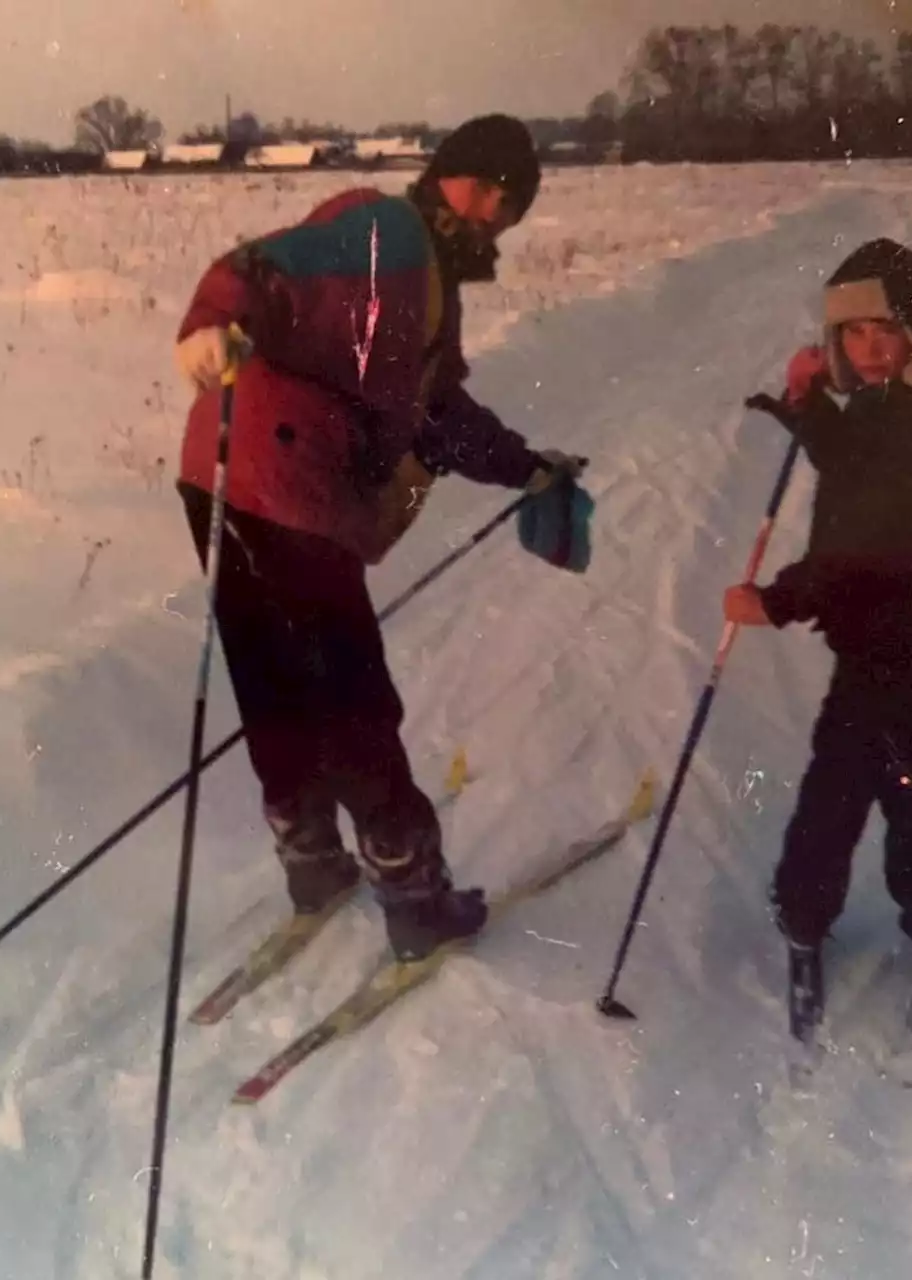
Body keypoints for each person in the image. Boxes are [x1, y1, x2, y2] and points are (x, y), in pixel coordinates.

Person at [171, 114, 586, 962]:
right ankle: (412, 891)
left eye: (511, 204)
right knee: (351, 696)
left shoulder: (431, 287)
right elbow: (263, 267)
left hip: (227, 478)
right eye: (483, 187)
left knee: (277, 682)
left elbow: (438, 416)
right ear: (444, 177)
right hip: (281, 483)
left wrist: (523, 466)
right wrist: (209, 321)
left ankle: (313, 858)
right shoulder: (384, 229)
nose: (492, 211)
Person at [724, 237, 912, 972]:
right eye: (854, 332)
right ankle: (886, 920)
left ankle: (834, 916)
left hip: (906, 645)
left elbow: (853, 545)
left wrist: (776, 601)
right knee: (885, 792)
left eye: (886, 330)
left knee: (859, 796)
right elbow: (854, 460)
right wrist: (807, 403)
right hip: (907, 641)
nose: (872, 348)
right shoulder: (908, 401)